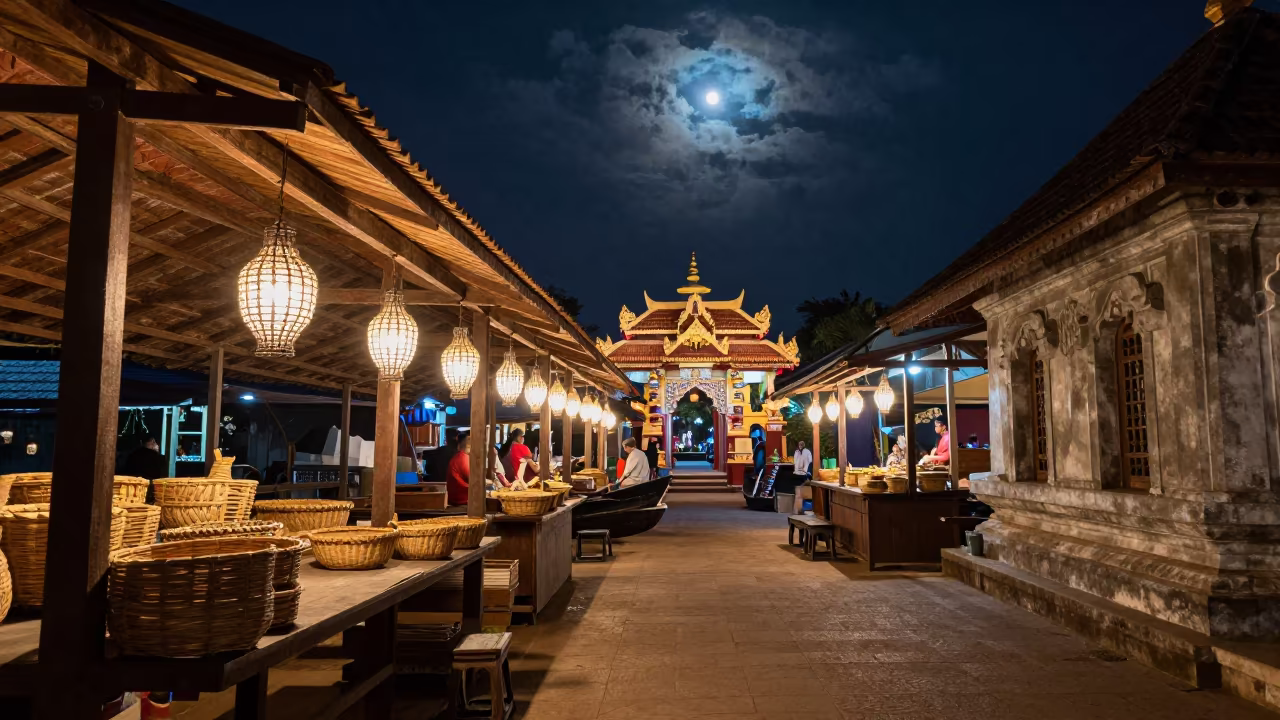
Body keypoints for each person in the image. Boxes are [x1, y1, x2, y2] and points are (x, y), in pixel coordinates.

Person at [446, 433, 471, 506]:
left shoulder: (461, 456)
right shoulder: (463, 457)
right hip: (462, 501)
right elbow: (473, 479)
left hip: (459, 499)